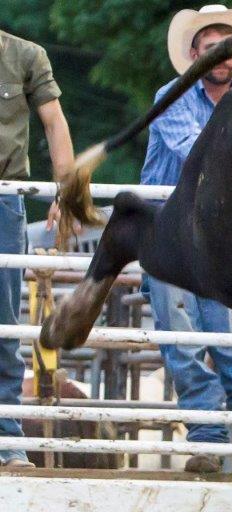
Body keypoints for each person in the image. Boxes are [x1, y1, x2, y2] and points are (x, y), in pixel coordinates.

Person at [140, 3, 232, 473]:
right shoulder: (174, 94)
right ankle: (207, 432)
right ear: (195, 53)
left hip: (223, 232)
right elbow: (194, 156)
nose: (222, 55)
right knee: (183, 335)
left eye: (229, 46)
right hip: (171, 229)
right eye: (212, 46)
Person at [0, 30, 75, 468]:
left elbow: (54, 120)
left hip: (5, 195)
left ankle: (6, 433)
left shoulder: (26, 55)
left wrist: (63, 190)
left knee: (4, 318)